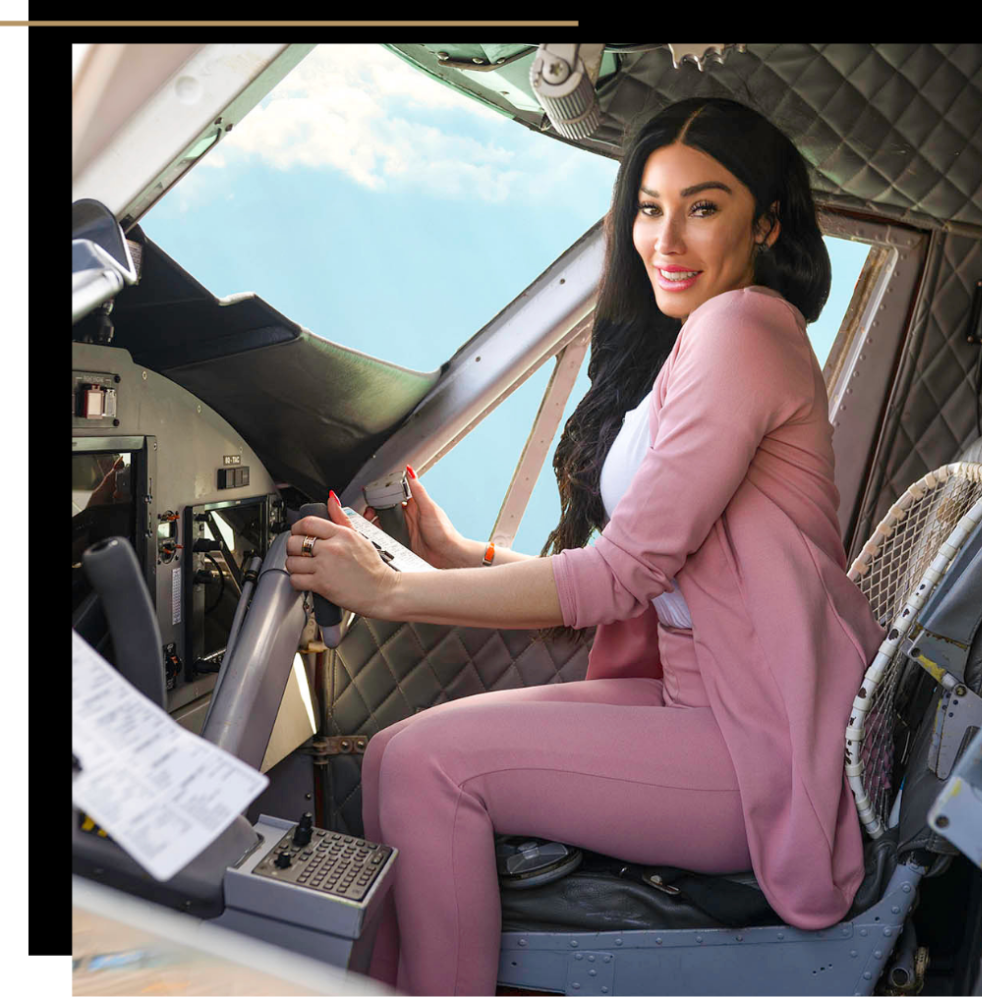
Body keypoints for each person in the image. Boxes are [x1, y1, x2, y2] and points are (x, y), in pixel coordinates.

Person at [285, 97, 885, 995]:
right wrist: (458, 556)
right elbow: (651, 568)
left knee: (422, 763)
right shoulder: (699, 343)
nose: (666, 238)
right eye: (649, 207)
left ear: (765, 223)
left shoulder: (744, 328)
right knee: (387, 755)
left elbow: (620, 577)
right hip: (701, 705)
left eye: (704, 206)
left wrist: (390, 591)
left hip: (753, 740)